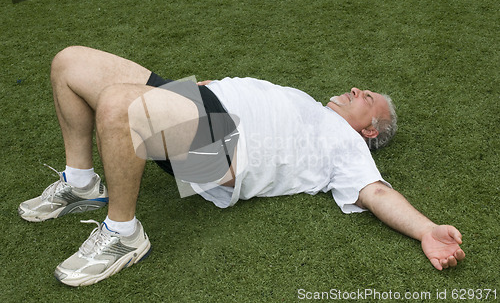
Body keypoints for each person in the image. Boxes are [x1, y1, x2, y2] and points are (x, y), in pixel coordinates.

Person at [18, 46, 465, 287]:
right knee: (69, 61)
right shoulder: (310, 105)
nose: (356, 90)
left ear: (370, 131)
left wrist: (426, 229)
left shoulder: (347, 146)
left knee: (120, 105)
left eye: (368, 100)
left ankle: (123, 235)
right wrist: (202, 88)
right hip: (200, 106)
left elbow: (378, 193)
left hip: (225, 149)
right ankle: (80, 182)